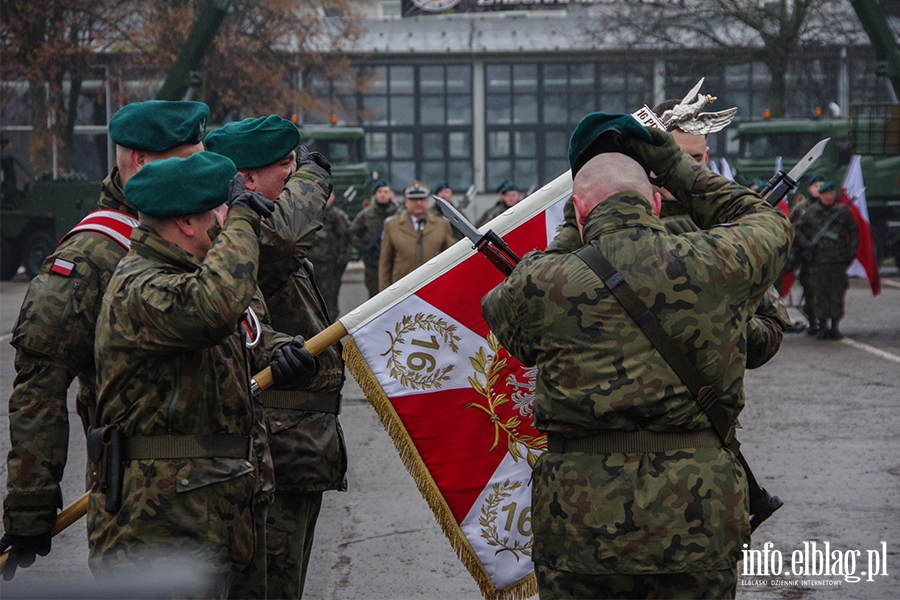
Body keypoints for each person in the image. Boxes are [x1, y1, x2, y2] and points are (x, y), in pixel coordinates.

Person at [482, 113, 792, 599]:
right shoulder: (717, 260)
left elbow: (504, 318)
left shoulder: (542, 284)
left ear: (580, 211)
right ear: (654, 201)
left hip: (581, 527)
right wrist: (674, 166)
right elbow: (768, 221)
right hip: (697, 520)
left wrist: (572, 230)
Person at [89, 152, 317, 598]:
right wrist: (245, 221)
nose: (226, 221)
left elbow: (239, 334)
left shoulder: (192, 277)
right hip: (162, 529)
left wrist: (279, 353)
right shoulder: (140, 286)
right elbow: (213, 308)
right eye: (220, 211)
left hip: (215, 512)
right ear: (188, 224)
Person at [1, 100, 209, 580]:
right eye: (185, 156)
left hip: (223, 488)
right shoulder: (94, 252)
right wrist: (31, 506)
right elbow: (40, 383)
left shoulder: (204, 227)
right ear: (138, 160)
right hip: (144, 496)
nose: (199, 168)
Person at [205, 115, 347, 599]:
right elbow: (286, 235)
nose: (294, 173)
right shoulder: (238, 237)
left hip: (300, 450)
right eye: (284, 164)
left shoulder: (256, 230)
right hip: (277, 452)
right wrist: (314, 174)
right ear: (246, 179)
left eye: (296, 162)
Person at [793, 181, 858, 340]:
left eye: (831, 194)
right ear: (820, 196)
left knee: (837, 293)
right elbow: (796, 229)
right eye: (826, 194)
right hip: (817, 261)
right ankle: (822, 325)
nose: (829, 197)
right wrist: (807, 244)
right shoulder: (811, 212)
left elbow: (854, 230)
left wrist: (851, 251)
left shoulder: (842, 211)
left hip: (837, 259)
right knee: (819, 294)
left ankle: (835, 326)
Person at [378, 181, 454, 291]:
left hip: (434, 288)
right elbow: (385, 264)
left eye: (422, 199)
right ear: (406, 202)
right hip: (402, 291)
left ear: (427, 201)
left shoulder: (441, 224)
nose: (418, 203)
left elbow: (450, 259)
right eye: (413, 200)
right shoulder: (392, 225)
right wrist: (384, 295)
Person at [309, 192, 352, 319]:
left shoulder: (336, 216)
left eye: (329, 195)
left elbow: (347, 238)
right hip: (310, 265)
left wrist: (341, 262)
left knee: (329, 301)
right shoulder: (307, 215)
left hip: (330, 267)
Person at [790, 174, 825, 332]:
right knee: (809, 289)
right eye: (815, 186)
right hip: (807, 255)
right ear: (809, 188)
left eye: (821, 186)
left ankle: (825, 322)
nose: (818, 189)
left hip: (826, 255)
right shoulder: (801, 207)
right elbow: (793, 228)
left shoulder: (831, 207)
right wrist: (804, 245)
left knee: (825, 289)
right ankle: (812, 321)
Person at [351, 179, 398, 297]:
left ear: (391, 194)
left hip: (395, 260)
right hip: (373, 262)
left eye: (386, 192)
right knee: (374, 295)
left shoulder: (398, 214)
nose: (383, 194)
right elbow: (352, 232)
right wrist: (363, 247)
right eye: (380, 192)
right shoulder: (366, 214)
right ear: (375, 195)